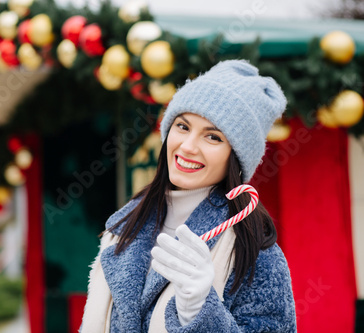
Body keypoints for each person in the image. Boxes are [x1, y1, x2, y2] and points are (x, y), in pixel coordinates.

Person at [80, 60, 297, 332]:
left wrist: (199, 312)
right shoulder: (123, 227)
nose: (188, 146)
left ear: (236, 156)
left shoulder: (252, 249)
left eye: (213, 137)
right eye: (183, 126)